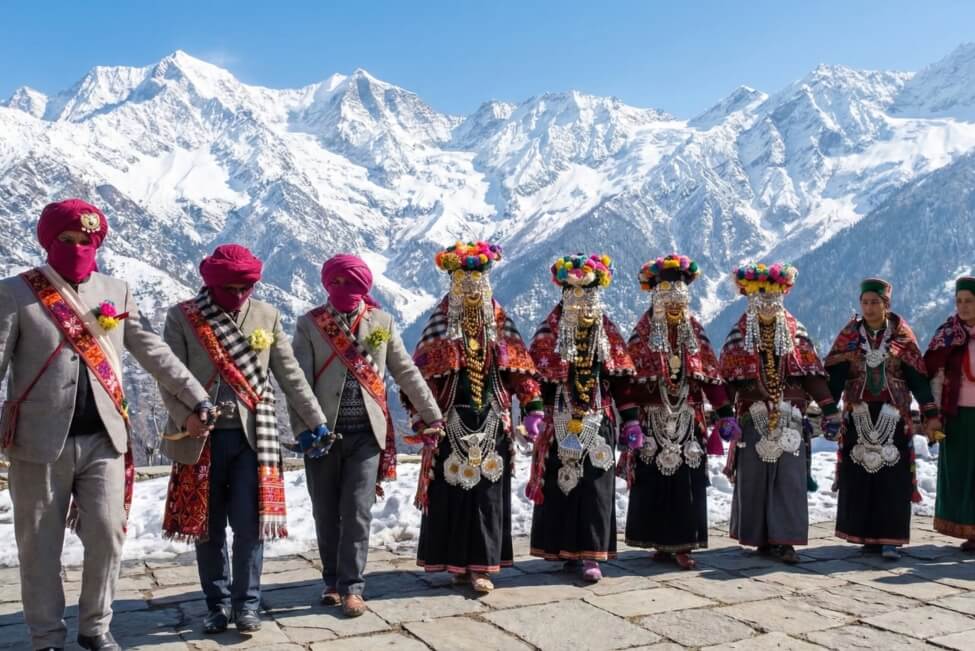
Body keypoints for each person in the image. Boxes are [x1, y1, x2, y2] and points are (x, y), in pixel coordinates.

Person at [0, 199, 211, 651]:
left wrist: (196, 396)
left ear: (97, 244)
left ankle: (95, 626)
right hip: (38, 444)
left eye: (85, 241)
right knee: (39, 547)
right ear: (49, 241)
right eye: (67, 240)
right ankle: (46, 637)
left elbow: (154, 352)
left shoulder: (116, 291)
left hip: (105, 440)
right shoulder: (16, 293)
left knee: (108, 534)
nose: (77, 248)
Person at [159, 244, 327, 634]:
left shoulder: (266, 316)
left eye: (244, 289)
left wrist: (315, 419)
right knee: (209, 527)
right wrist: (186, 416)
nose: (237, 297)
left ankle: (247, 604)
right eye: (229, 289)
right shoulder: (184, 317)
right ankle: (217, 605)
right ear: (212, 284)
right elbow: (168, 376)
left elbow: (289, 375)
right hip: (202, 439)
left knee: (250, 526)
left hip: (255, 440)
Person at [292, 254, 443, 615]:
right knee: (325, 511)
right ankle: (331, 579)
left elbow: (405, 371)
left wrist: (432, 415)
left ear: (364, 287)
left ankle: (352, 586)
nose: (344, 290)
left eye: (351, 284)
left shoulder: (381, 322)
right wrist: (306, 429)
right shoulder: (310, 325)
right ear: (327, 285)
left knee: (357, 509)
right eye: (338, 283)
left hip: (366, 435)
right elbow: (297, 382)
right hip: (322, 434)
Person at [407, 242, 542, 593]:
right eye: (463, 283)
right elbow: (417, 377)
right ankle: (455, 563)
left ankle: (481, 566)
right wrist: (423, 418)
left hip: (493, 420)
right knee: (453, 490)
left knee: (486, 494)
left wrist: (532, 409)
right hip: (451, 420)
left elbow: (521, 369)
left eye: (477, 284)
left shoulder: (500, 322)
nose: (471, 291)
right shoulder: (439, 324)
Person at [619, 254, 739, 570]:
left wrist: (725, 412)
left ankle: (684, 544)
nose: (672, 299)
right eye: (666, 293)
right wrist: (630, 420)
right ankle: (657, 541)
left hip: (689, 419)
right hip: (652, 421)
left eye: (678, 294)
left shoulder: (695, 333)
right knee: (653, 481)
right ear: (655, 295)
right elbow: (627, 380)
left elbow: (710, 375)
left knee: (686, 481)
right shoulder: (642, 333)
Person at [719, 262, 840, 564]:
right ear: (749, 296)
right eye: (761, 294)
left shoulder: (796, 332)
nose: (768, 301)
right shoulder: (739, 334)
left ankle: (785, 540)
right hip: (752, 417)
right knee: (754, 480)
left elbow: (812, 373)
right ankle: (759, 537)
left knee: (789, 480)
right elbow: (729, 379)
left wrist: (829, 409)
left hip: (791, 418)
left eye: (773, 295)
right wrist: (725, 414)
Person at [527, 253, 635, 582]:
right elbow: (536, 375)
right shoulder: (550, 331)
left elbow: (622, 379)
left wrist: (630, 419)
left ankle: (592, 553)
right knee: (563, 483)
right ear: (563, 295)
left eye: (588, 295)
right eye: (574, 295)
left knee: (596, 486)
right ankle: (563, 549)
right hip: (560, 415)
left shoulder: (606, 333)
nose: (581, 301)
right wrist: (535, 412)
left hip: (598, 416)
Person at [824, 278, 941, 560]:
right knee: (860, 476)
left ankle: (890, 538)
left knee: (893, 477)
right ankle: (865, 535)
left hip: (894, 414)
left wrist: (930, 412)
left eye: (875, 302)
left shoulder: (902, 336)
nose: (869, 307)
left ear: (886, 304)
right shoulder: (850, 335)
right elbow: (837, 374)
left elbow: (917, 377)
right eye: (865, 302)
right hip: (858, 413)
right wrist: (829, 407)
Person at [924, 276, 975, 550]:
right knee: (960, 473)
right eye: (959, 301)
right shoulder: (947, 335)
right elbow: (933, 374)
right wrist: (932, 413)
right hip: (957, 416)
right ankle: (969, 530)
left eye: (969, 301)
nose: (963, 307)